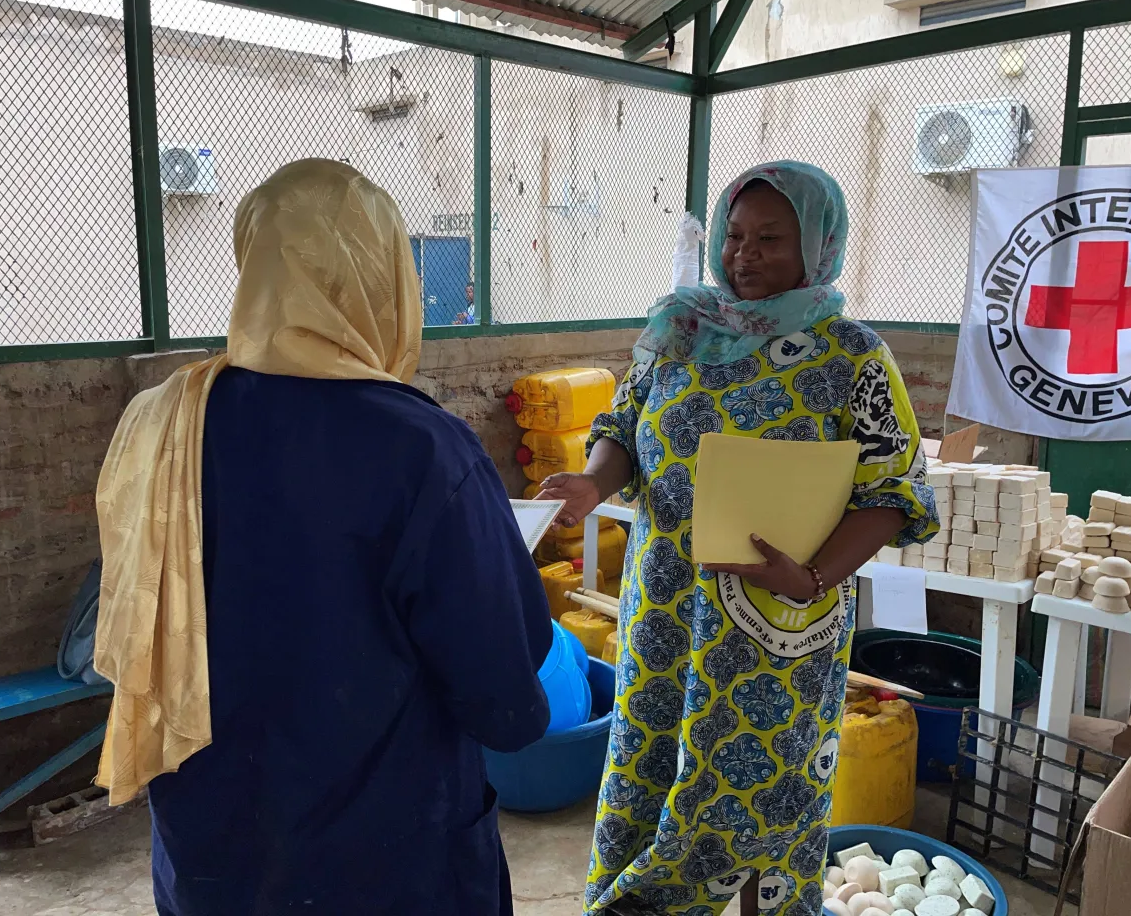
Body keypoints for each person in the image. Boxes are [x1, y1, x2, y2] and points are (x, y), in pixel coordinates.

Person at [93, 159, 553, 916]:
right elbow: (505, 701)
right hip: (387, 865)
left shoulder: (162, 422)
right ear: (384, 281)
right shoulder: (423, 449)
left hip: (212, 853)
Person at [538, 161, 938, 916]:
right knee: (650, 765)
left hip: (778, 625)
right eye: (735, 236)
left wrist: (814, 577)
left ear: (817, 246)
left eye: (771, 239)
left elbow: (893, 493)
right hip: (664, 610)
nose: (743, 256)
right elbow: (623, 425)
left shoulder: (851, 354)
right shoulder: (681, 329)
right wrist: (594, 483)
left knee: (755, 798)